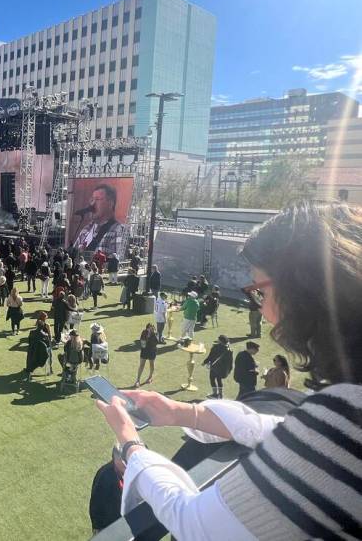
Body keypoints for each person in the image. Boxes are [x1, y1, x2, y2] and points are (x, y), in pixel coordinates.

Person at [94, 202, 362, 541]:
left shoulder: (346, 418)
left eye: (259, 291)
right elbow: (287, 429)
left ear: (302, 293)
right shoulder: (342, 411)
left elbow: (194, 522)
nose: (260, 307)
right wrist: (184, 413)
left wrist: (131, 444)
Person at [72, 183, 128, 257]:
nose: (92, 204)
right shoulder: (86, 229)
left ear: (110, 203)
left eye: (98, 199)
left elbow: (115, 261)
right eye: (92, 199)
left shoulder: (118, 230)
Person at [203, 334, 233, 399]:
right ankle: (220, 395)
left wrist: (204, 362)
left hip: (214, 367)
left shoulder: (215, 347)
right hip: (222, 369)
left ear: (220, 341)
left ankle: (215, 394)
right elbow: (230, 361)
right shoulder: (229, 350)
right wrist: (230, 369)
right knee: (219, 380)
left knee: (212, 379)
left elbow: (210, 357)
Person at [23, 314, 52, 379]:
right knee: (50, 351)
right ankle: (50, 369)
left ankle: (29, 368)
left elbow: (29, 341)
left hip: (32, 350)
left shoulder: (32, 332)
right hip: (41, 353)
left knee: (29, 353)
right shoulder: (45, 335)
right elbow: (48, 344)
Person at [133, 323, 157, 387]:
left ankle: (150, 377)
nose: (150, 329)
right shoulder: (144, 332)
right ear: (147, 328)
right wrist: (148, 336)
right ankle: (138, 380)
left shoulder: (155, 333)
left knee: (151, 364)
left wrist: (153, 334)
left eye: (152, 328)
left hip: (152, 350)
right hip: (144, 350)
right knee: (141, 365)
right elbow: (143, 343)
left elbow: (156, 343)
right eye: (149, 328)